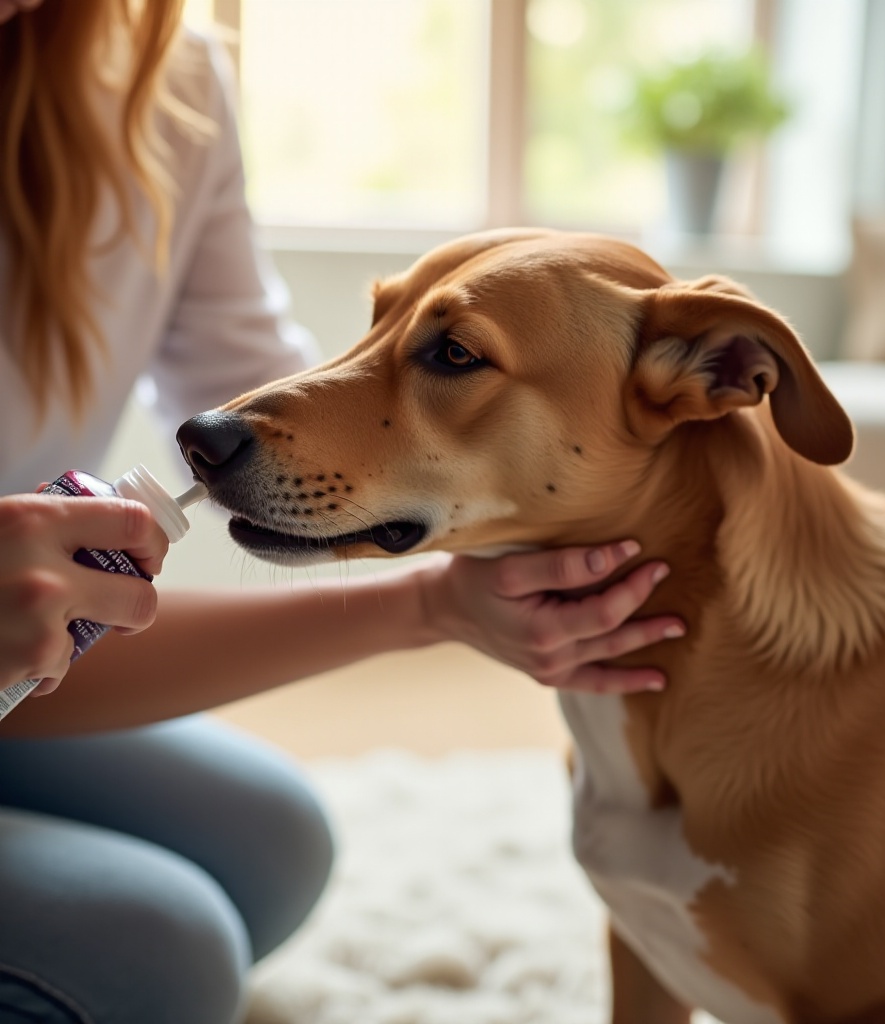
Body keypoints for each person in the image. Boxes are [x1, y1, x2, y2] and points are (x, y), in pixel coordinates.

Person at [0, 2, 685, 1023]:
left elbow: (277, 412)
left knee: (273, 844)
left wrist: (442, 592)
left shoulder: (163, 77)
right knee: (167, 954)